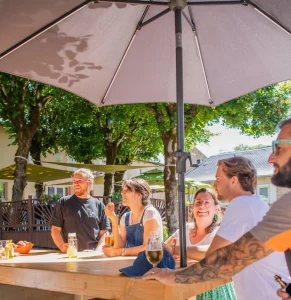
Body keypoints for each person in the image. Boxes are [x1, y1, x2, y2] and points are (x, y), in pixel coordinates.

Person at [143, 117, 291, 300]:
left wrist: (171, 276)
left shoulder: (242, 205)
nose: (270, 158)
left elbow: (220, 259)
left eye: (279, 148)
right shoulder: (262, 205)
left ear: (234, 180)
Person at [208, 156, 288, 299]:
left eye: (218, 179)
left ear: (234, 180)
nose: (214, 185)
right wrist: (178, 249)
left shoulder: (241, 205)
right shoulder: (254, 204)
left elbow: (212, 257)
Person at [166, 188, 237, 300]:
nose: (201, 206)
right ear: (193, 207)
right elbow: (164, 248)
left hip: (213, 291)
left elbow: (212, 253)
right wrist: (169, 255)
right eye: (198, 202)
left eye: (207, 202)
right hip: (183, 288)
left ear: (216, 207)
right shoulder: (184, 229)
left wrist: (176, 250)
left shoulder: (221, 231)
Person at [50, 168, 110, 252]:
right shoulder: (63, 202)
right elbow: (55, 230)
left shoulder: (99, 205)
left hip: (92, 256)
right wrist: (63, 247)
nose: (76, 184)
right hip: (71, 255)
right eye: (74, 181)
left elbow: (104, 233)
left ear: (90, 182)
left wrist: (97, 251)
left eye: (79, 181)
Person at [102, 178, 163, 257]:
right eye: (122, 191)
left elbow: (148, 248)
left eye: (127, 191)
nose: (122, 193)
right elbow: (119, 247)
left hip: (151, 264)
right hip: (132, 263)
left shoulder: (150, 213)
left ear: (140, 194)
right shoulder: (125, 217)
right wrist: (114, 220)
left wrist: (119, 252)